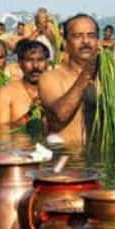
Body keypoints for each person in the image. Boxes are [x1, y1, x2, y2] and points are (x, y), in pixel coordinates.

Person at [38, 14, 99, 144]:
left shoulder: (113, 78)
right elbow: (59, 117)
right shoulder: (50, 78)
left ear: (98, 42)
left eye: (91, 36)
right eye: (78, 36)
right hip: (67, 157)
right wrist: (86, 75)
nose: (86, 41)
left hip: (102, 159)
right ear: (65, 43)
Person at [0, 40, 49, 125]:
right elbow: (0, 132)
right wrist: (30, 114)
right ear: (20, 63)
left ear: (47, 63)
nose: (35, 66)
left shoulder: (57, 91)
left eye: (40, 60)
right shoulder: (6, 93)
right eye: (29, 60)